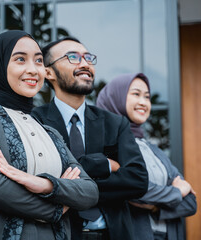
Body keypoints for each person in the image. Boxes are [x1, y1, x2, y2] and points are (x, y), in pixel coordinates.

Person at [0, 30, 98, 240]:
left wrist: (47, 185)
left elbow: (89, 191)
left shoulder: (49, 131)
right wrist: (57, 209)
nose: (33, 70)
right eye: (20, 59)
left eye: (39, 61)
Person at [31, 37, 148, 240]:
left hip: (113, 234)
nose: (85, 64)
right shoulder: (35, 122)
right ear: (48, 72)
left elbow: (137, 180)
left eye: (88, 58)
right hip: (58, 234)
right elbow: (36, 179)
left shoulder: (115, 123)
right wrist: (102, 164)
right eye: (73, 57)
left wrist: (68, 186)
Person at [96, 73, 197, 240]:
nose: (143, 102)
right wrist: (177, 192)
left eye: (147, 97)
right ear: (116, 98)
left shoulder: (154, 150)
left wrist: (156, 207)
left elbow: (191, 203)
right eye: (136, 94)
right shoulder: (109, 146)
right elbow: (133, 190)